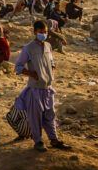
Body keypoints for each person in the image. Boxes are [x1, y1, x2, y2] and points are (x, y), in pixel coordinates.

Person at [14, 20, 71, 152]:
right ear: (35, 32)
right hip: (35, 88)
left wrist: (51, 68)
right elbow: (18, 67)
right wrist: (31, 73)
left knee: (50, 114)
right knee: (36, 117)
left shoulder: (48, 46)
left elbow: (51, 61)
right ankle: (38, 141)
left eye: (45, 32)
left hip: (47, 87)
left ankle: (54, 139)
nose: (43, 34)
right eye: (41, 32)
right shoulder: (28, 48)